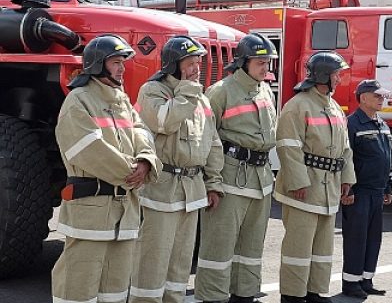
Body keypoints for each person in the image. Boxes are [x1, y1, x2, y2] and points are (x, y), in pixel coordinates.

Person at [52, 34, 161, 303]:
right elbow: (89, 149)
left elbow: (142, 133)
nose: (122, 68)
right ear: (98, 64)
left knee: (115, 289)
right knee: (78, 287)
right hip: (92, 211)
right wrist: (132, 171)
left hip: (124, 212)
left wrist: (146, 161)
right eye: (115, 62)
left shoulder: (121, 99)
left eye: (123, 62)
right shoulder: (78, 100)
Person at [129, 36, 225, 303]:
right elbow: (166, 122)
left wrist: (213, 183)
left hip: (192, 191)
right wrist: (187, 91)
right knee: (153, 259)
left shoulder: (200, 98)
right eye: (190, 63)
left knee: (181, 263)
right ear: (173, 64)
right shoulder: (153, 90)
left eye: (198, 63)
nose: (196, 69)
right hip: (162, 187)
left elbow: (212, 143)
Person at [194, 33, 278, 303]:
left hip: (260, 179)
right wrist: (212, 183)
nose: (266, 68)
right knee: (219, 244)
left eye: (268, 62)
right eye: (260, 62)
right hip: (230, 177)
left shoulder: (264, 89)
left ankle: (245, 294)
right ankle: (213, 297)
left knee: (252, 246)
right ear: (243, 62)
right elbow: (207, 139)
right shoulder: (220, 92)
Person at [275, 51, 356, 303]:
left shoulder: (333, 106)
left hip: (328, 188)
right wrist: (297, 181)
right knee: (298, 246)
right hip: (305, 187)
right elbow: (288, 146)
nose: (339, 80)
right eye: (336, 75)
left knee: (322, 247)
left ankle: (314, 291)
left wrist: (347, 179)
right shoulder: (297, 105)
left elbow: (345, 148)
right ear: (323, 76)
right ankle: (292, 294)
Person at [341, 80, 392, 298]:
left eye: (382, 96)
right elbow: (346, 158)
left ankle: (366, 279)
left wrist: (388, 185)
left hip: (377, 190)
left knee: (373, 238)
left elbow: (388, 158)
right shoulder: (352, 124)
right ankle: (351, 283)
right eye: (377, 96)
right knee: (356, 237)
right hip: (360, 191)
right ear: (363, 98)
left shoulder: (381, 124)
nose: (382, 99)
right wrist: (348, 189)